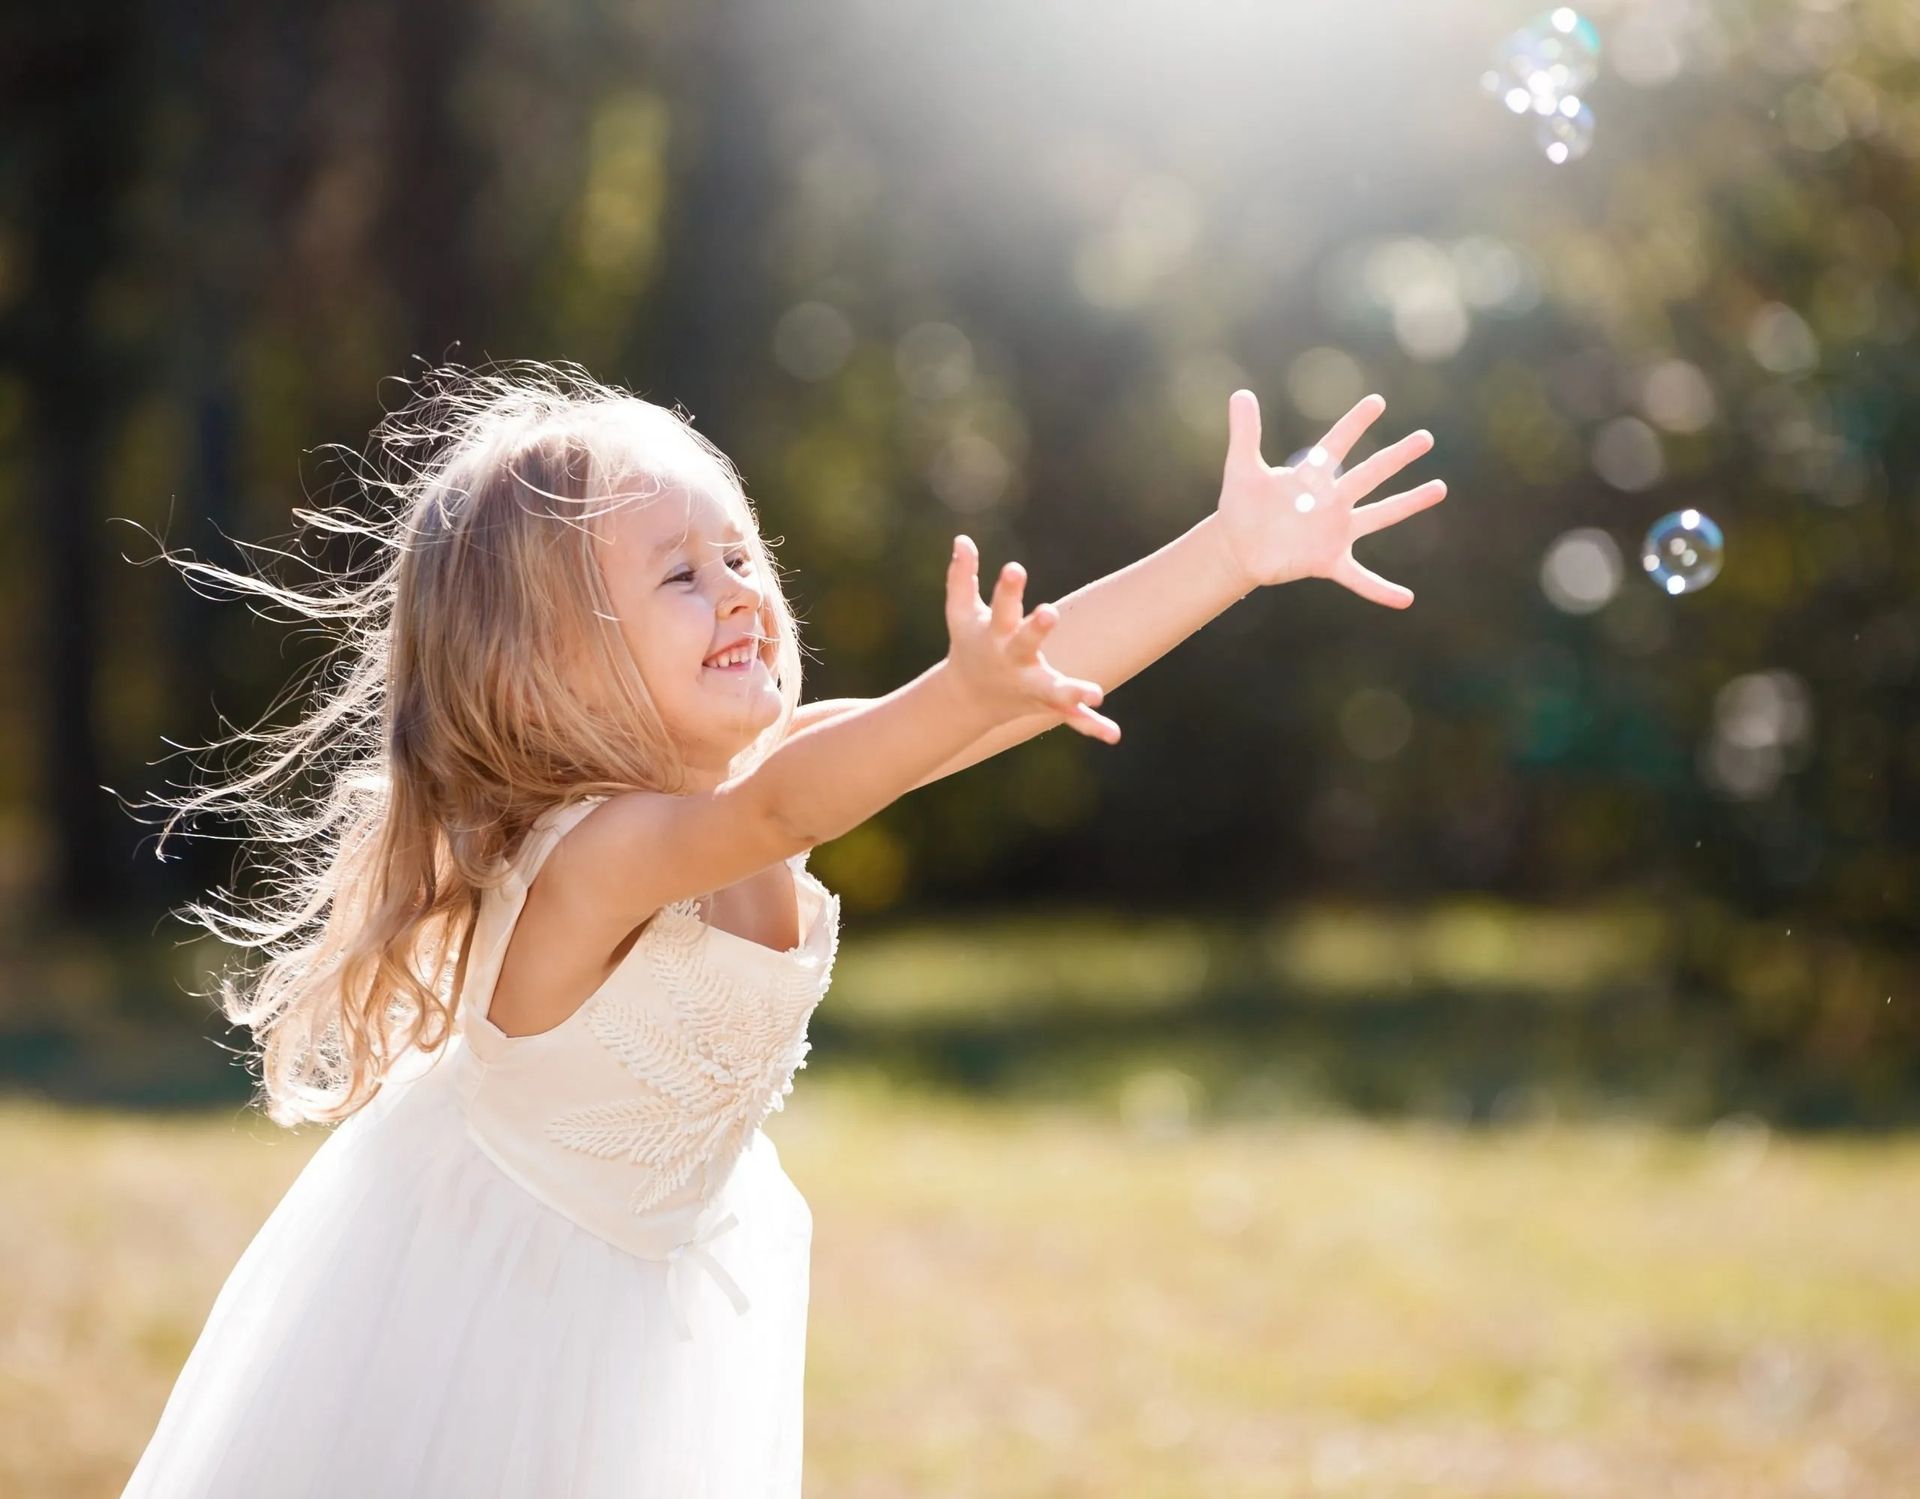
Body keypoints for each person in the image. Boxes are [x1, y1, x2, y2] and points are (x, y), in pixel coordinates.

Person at [117, 359, 1443, 1497]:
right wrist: (951, 696)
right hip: (495, 1319)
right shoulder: (602, 852)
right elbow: (782, 811)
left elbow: (1024, 693)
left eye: (742, 554)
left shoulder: (759, 778)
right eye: (681, 576)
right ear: (543, 663)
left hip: (639, 1308)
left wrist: (1230, 555)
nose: (742, 591)